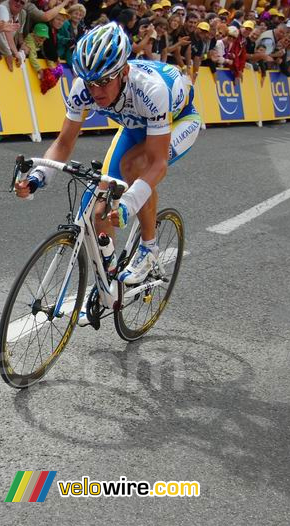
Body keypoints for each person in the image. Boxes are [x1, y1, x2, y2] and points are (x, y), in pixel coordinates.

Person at [14, 22, 201, 321]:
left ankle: (148, 248)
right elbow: (63, 144)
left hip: (178, 122)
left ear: (123, 73)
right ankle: (110, 272)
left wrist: (129, 202)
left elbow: (156, 163)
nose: (95, 90)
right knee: (99, 205)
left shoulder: (151, 90)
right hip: (134, 126)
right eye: (89, 82)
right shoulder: (84, 88)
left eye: (103, 82)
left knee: (133, 168)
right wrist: (37, 177)